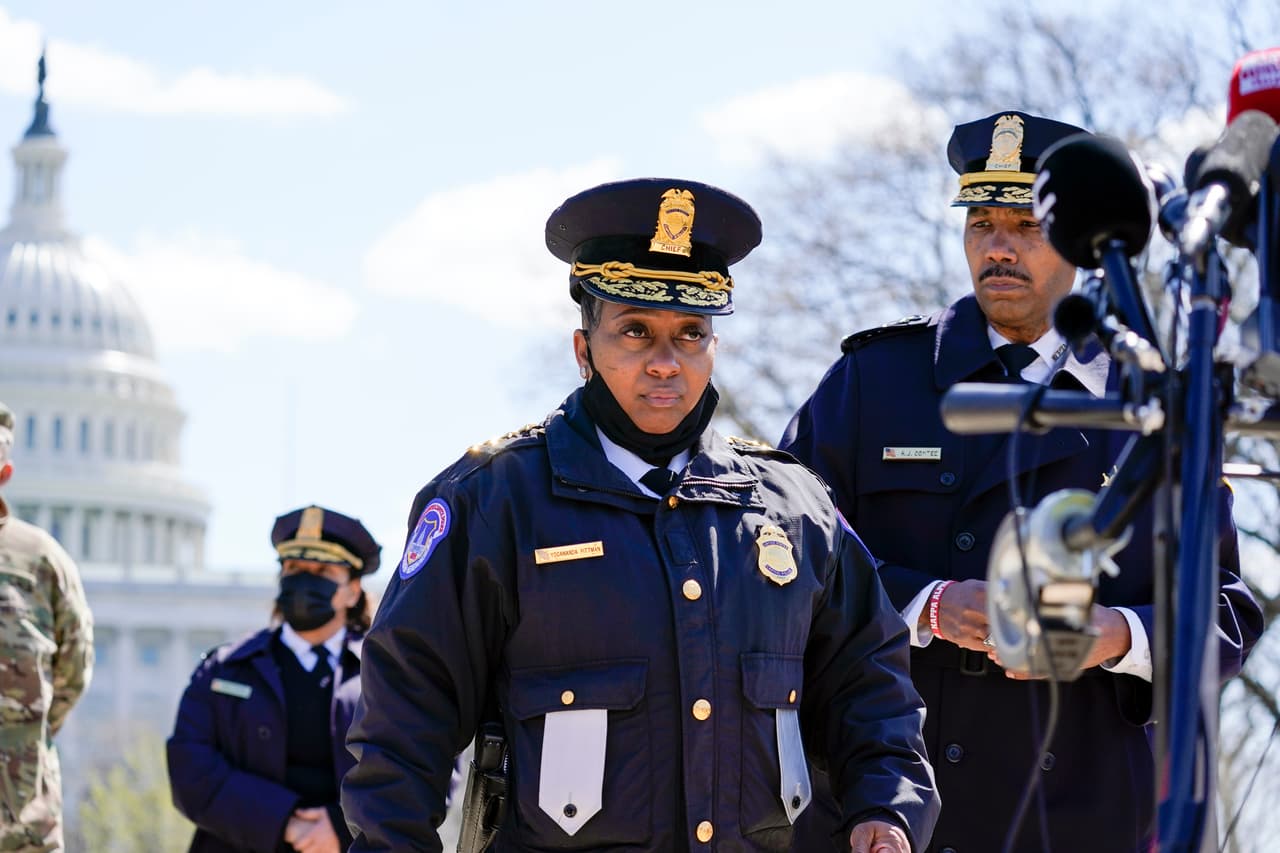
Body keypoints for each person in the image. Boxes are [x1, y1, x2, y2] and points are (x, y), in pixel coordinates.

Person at [341, 178, 940, 852]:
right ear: (583, 348)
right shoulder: (492, 501)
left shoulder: (795, 508)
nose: (666, 362)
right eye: (635, 330)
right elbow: (401, 733)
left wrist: (886, 811)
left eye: (691, 333)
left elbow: (873, 688)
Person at [780, 111, 1265, 853]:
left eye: (1024, 225)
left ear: (1075, 240)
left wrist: (1114, 635)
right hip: (889, 819)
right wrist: (927, 604)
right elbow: (784, 553)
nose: (998, 246)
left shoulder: (1153, 404)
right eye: (980, 222)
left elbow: (1225, 610)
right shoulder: (872, 382)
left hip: (1081, 822)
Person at [167, 505, 381, 853]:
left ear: (353, 591)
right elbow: (190, 768)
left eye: (323, 571)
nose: (305, 581)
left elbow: (422, 769)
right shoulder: (223, 669)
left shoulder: (384, 678)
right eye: (295, 568)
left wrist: (342, 826)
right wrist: (284, 821)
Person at [0, 400, 94, 853]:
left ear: (4, 474)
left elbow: (73, 672)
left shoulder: (39, 557)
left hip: (19, 813)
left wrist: (22, 736)